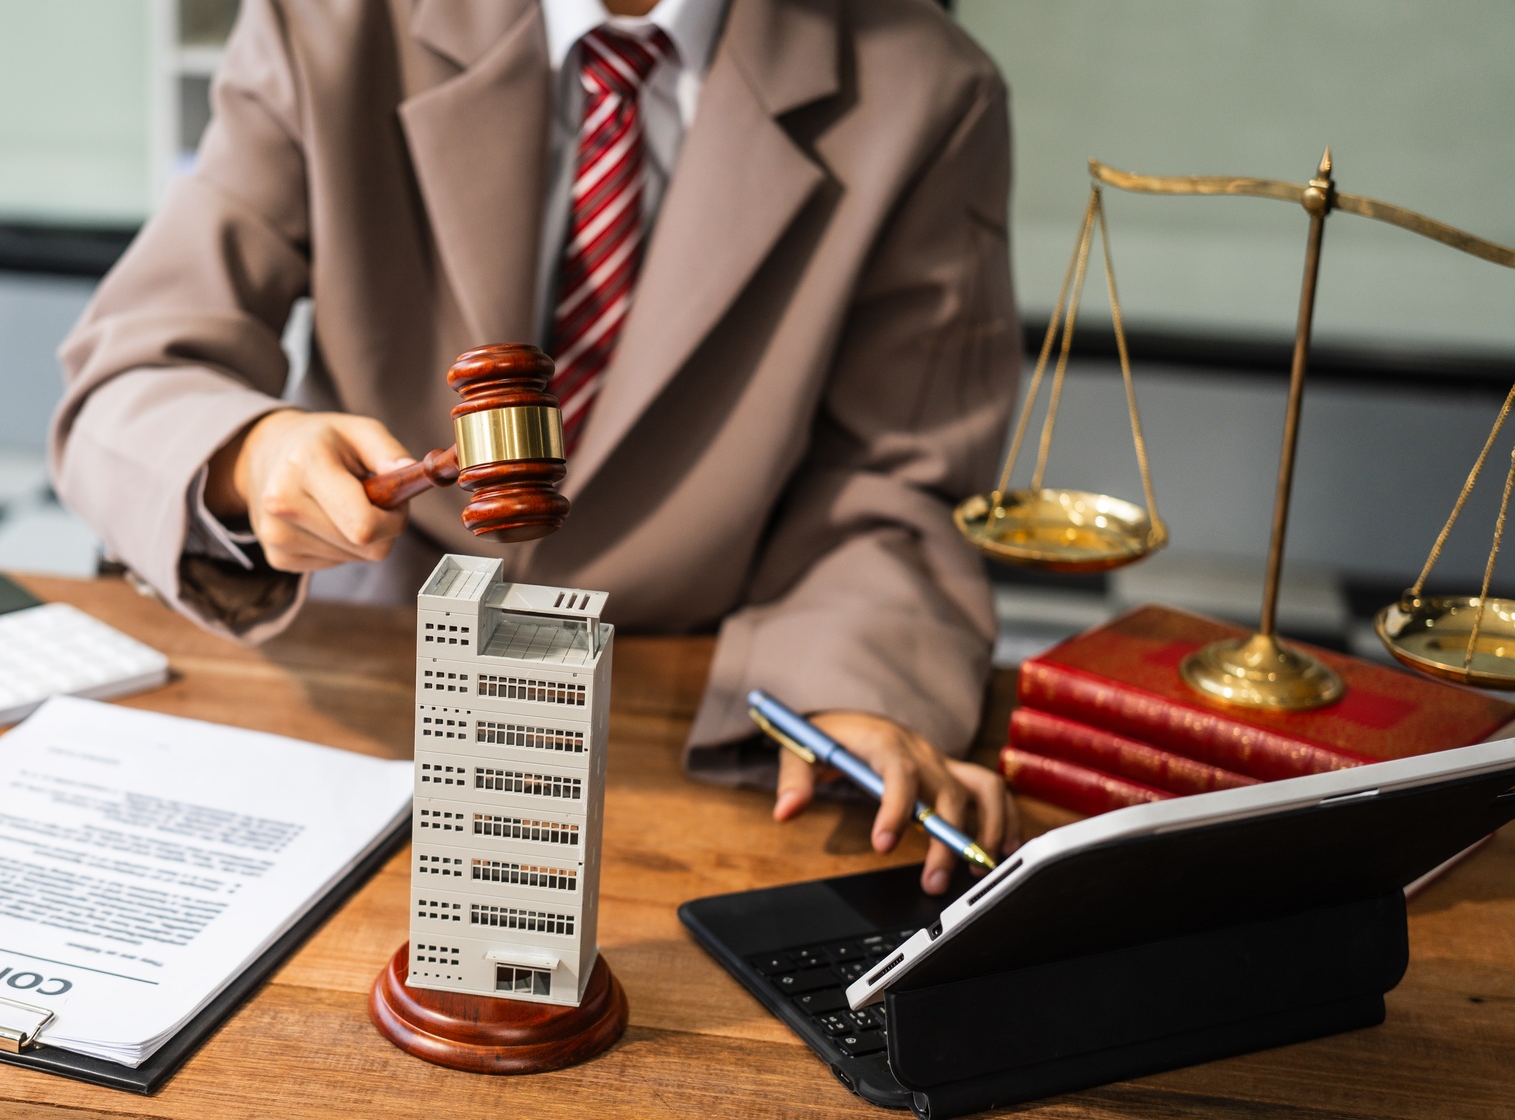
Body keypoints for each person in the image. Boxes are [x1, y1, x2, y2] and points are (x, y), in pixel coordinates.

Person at [52, 0, 1022, 893]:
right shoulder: (327, 21)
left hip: (691, 680)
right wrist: (249, 455)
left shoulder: (927, 88)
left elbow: (896, 477)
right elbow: (131, 373)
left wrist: (846, 689)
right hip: (378, 652)